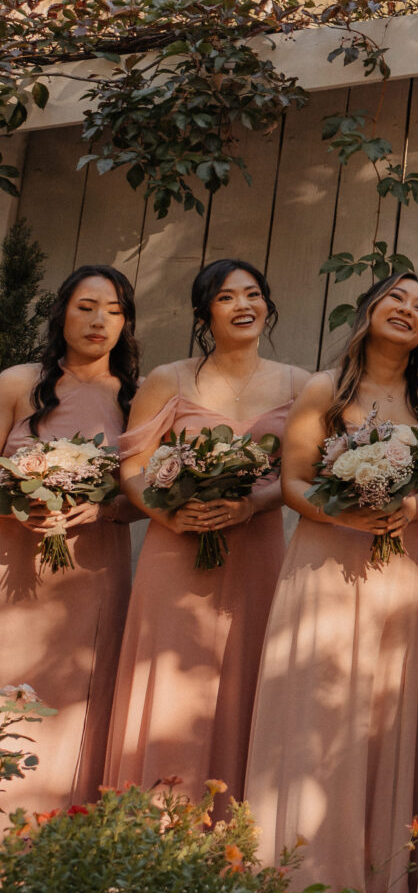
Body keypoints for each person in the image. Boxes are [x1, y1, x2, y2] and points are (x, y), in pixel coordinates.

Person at [243, 271, 418, 893]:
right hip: (327, 563)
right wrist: (347, 515)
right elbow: (293, 481)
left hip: (403, 564)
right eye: (397, 297)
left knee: (384, 713)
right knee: (318, 713)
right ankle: (299, 884)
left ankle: (378, 885)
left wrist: (412, 504)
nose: (408, 309)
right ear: (370, 309)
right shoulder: (325, 388)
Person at [103, 259, 306, 802]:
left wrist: (253, 505)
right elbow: (132, 469)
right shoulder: (170, 379)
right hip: (175, 551)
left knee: (244, 680)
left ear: (267, 305)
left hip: (257, 549)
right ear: (203, 313)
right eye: (226, 297)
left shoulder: (302, 385)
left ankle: (229, 833)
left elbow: (304, 474)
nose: (243, 305)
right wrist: (168, 513)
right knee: (168, 684)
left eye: (253, 294)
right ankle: (153, 825)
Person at [0, 266, 140, 814]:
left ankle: (58, 829)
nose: (98, 319)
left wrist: (105, 506)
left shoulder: (135, 397)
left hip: (94, 569)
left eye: (112, 309)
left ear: (126, 323)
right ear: (61, 313)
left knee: (81, 699)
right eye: (85, 305)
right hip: (14, 563)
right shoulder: (17, 382)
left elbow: (144, 497)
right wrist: (17, 503)